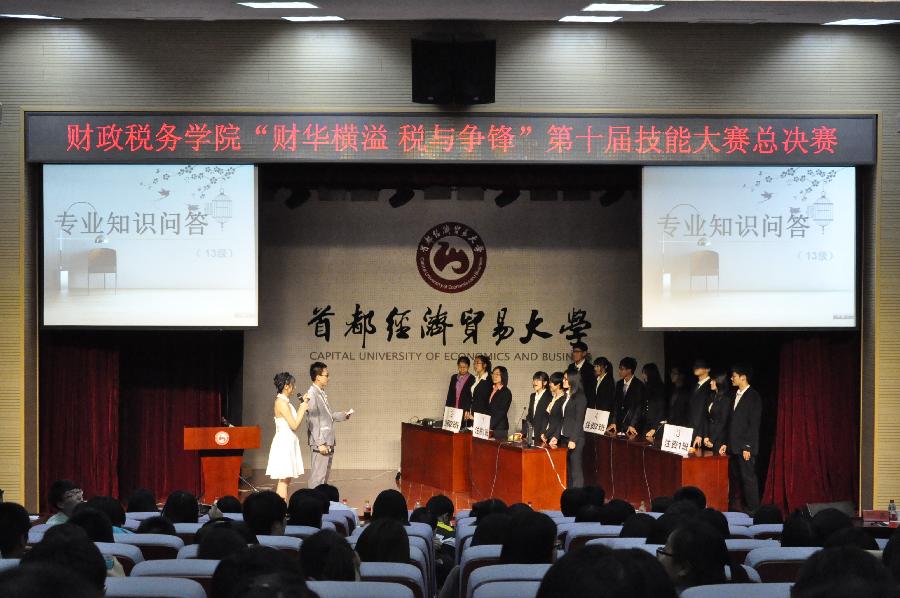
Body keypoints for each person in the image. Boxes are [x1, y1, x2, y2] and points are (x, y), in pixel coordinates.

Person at [719, 364, 761, 514]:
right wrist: (725, 443)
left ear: (743, 377)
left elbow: (753, 424)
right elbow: (730, 422)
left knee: (748, 479)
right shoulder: (733, 395)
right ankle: (737, 508)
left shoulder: (753, 396)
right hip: (733, 446)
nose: (732, 378)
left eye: (734, 376)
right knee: (735, 479)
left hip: (744, 447)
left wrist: (747, 446)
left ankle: (754, 511)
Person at [305, 361, 353, 488]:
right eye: (326, 375)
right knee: (317, 479)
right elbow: (312, 420)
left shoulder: (320, 393)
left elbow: (327, 416)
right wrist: (320, 443)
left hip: (328, 441)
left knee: (323, 479)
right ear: (318, 377)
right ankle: (313, 500)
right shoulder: (312, 394)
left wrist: (343, 415)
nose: (328, 378)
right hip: (321, 443)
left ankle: (321, 500)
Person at [266, 371, 310, 500]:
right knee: (284, 480)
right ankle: (281, 508)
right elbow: (294, 425)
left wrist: (303, 404)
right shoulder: (281, 402)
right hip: (284, 443)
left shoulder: (285, 402)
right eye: (292, 385)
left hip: (288, 441)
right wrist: (302, 408)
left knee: (286, 479)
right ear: (286, 386)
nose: (294, 388)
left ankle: (281, 508)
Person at [549, 368, 587, 487]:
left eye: (566, 379)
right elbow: (562, 418)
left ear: (572, 380)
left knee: (576, 470)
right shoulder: (566, 395)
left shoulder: (580, 397)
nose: (563, 381)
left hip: (575, 438)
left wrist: (573, 439)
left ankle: (578, 495)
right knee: (568, 470)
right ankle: (570, 494)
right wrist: (556, 436)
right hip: (564, 436)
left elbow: (579, 420)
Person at [609, 357, 647, 438]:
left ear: (629, 370)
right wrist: (614, 422)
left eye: (622, 369)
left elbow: (639, 407)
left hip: (632, 426)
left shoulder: (639, 385)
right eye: (619, 368)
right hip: (618, 425)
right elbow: (616, 404)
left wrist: (632, 424)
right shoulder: (619, 384)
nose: (619, 371)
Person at [701, 372, 731, 453]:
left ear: (719, 382)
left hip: (718, 438)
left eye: (713, 381)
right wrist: (706, 436)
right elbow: (706, 417)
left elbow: (723, 422)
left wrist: (712, 439)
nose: (710, 383)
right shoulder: (711, 396)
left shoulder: (726, 399)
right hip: (708, 437)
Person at [480, 365, 512, 439]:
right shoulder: (492, 389)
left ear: (503, 376)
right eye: (493, 374)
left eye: (497, 374)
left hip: (499, 429)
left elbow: (501, 412)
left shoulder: (506, 392)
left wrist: (489, 425)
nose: (494, 376)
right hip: (488, 426)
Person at [687, 359, 713, 449]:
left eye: (700, 366)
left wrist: (700, 433)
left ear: (708, 369)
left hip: (701, 433)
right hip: (690, 429)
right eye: (695, 366)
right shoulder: (694, 385)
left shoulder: (710, 386)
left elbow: (707, 412)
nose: (696, 368)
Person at [642, 363, 667, 442]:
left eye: (644, 373)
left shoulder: (659, 388)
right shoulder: (647, 387)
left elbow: (661, 410)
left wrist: (654, 428)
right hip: (646, 422)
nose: (643, 375)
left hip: (656, 424)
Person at [526, 371, 551, 445]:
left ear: (545, 382)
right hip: (531, 433)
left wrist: (544, 433)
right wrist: (523, 431)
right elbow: (530, 415)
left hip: (543, 434)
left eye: (538, 380)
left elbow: (547, 417)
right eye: (534, 380)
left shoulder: (549, 397)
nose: (535, 382)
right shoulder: (532, 396)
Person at [569, 341, 597, 409]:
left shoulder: (590, 369)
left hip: (585, 404)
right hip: (571, 402)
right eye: (573, 351)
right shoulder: (570, 367)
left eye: (577, 352)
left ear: (584, 353)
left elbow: (591, 390)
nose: (574, 354)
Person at [541, 371, 565, 445]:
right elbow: (546, 416)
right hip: (547, 435)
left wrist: (546, 435)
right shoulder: (552, 398)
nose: (549, 384)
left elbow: (558, 421)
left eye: (551, 382)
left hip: (556, 437)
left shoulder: (563, 399)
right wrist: (543, 432)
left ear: (558, 384)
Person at [467, 355, 492, 424]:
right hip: (471, 414)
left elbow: (487, 400)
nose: (475, 365)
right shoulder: (474, 379)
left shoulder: (489, 380)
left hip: (482, 416)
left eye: (477, 363)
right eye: (474, 363)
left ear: (485, 365)